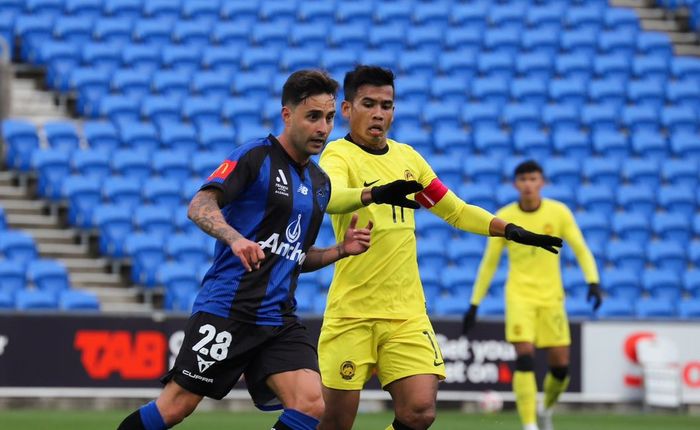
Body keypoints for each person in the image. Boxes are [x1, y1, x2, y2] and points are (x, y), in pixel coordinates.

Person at [116, 70, 417, 430]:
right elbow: (199, 205)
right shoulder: (256, 157)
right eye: (313, 117)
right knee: (175, 407)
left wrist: (339, 250)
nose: (323, 127)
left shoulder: (320, 184)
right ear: (287, 115)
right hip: (231, 310)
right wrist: (235, 238)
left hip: (278, 318)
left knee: (310, 403)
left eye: (329, 117)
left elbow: (296, 257)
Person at [316, 65, 563, 430]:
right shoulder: (338, 155)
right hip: (352, 313)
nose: (379, 113)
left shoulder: (408, 160)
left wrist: (509, 229)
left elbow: (456, 211)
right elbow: (332, 197)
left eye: (387, 105)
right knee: (336, 424)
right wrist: (375, 193)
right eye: (369, 104)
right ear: (348, 109)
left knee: (419, 412)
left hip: (407, 314)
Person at [463, 160, 602, 430]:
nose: (528, 184)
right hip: (519, 296)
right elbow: (489, 262)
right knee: (524, 356)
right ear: (516, 184)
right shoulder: (505, 216)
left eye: (533, 179)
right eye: (523, 179)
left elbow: (581, 248)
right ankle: (529, 425)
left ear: (542, 183)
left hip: (552, 298)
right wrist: (474, 303)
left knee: (561, 367)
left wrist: (593, 282)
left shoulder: (558, 213)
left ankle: (546, 409)